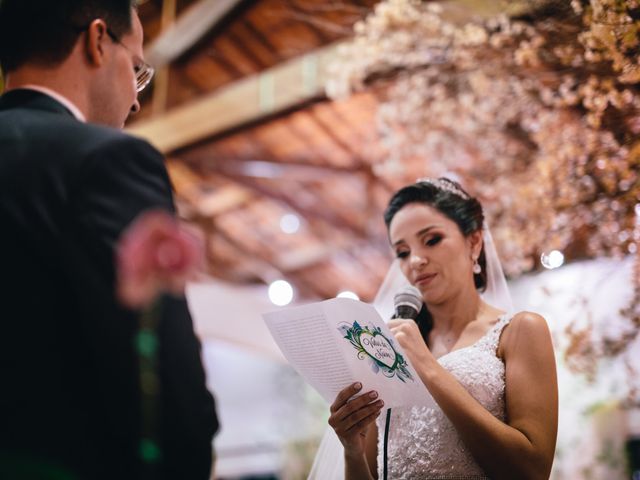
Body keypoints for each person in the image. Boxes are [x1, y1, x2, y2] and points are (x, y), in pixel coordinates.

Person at [0, 1, 218, 479]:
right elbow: (158, 373)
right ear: (98, 40)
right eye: (137, 69)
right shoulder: (107, 161)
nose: (137, 100)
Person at [318, 178, 558, 479]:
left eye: (431, 240)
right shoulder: (387, 349)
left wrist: (427, 367)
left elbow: (532, 472)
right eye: (403, 252)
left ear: (474, 242)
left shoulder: (520, 330)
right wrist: (352, 448)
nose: (416, 261)